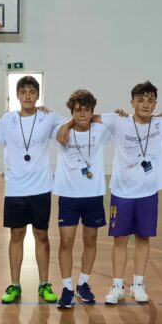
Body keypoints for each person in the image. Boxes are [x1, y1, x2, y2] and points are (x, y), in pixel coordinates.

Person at [0, 76, 65, 304]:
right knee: (16, 235)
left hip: (41, 188)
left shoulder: (48, 117)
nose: (27, 96)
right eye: (23, 92)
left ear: (38, 95)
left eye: (32, 91)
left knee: (41, 235)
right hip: (15, 189)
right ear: (17, 95)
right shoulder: (7, 120)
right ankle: (15, 284)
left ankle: (44, 284)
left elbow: (72, 124)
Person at [101, 81, 162, 305]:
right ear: (132, 102)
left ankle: (138, 285)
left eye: (150, 100)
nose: (145, 104)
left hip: (148, 192)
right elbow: (87, 117)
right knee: (120, 239)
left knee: (143, 237)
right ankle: (117, 286)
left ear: (155, 104)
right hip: (121, 192)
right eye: (140, 100)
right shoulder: (118, 120)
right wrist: (66, 125)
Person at [52, 89, 111, 309]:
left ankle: (83, 283)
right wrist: (67, 124)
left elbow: (121, 121)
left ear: (92, 111)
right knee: (66, 241)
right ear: (71, 112)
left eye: (86, 110)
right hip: (68, 195)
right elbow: (60, 125)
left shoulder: (101, 130)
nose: (82, 114)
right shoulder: (61, 131)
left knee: (90, 240)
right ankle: (67, 287)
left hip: (93, 195)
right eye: (77, 110)